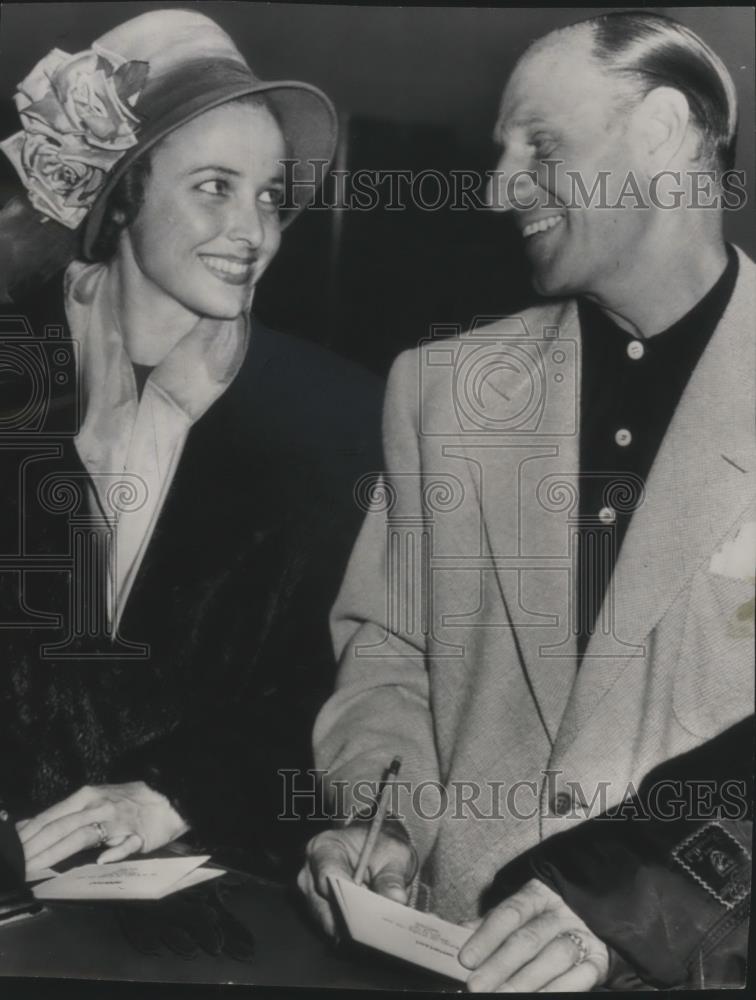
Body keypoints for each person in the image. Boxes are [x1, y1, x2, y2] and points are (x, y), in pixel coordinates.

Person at [298, 10, 754, 990]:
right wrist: (387, 825)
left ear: (668, 134)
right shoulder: (440, 388)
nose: (501, 187)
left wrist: (630, 901)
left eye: (540, 145)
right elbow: (391, 651)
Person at [0, 10, 383, 879]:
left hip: (215, 899)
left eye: (271, 195)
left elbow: (353, 689)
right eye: (215, 185)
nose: (254, 230)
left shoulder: (341, 423)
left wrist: (178, 790)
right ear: (124, 193)